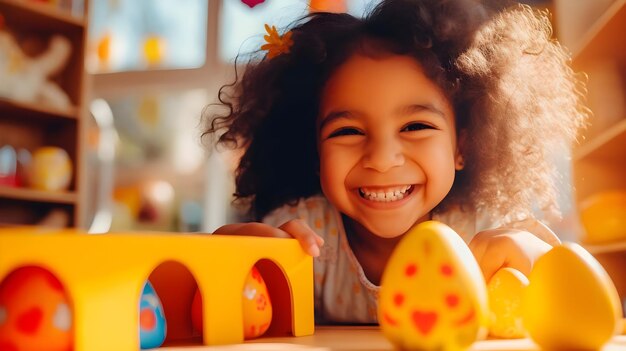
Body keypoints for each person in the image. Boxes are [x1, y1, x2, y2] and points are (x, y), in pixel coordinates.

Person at [203, 0, 587, 324]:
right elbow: (220, 300)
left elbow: (574, 305)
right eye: (347, 131)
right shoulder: (305, 239)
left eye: (415, 125)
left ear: (463, 146)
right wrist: (230, 259)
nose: (383, 159)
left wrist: (536, 263)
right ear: (316, 153)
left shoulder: (479, 230)